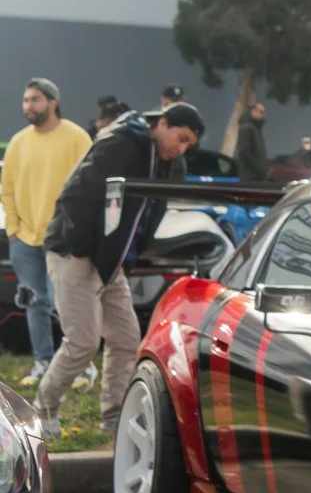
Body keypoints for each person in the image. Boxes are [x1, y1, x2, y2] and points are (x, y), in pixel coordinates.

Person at [34, 100, 206, 437]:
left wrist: (126, 255)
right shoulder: (123, 143)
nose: (181, 148)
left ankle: (112, 420)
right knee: (83, 342)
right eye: (181, 137)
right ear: (163, 124)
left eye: (189, 144)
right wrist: (83, 250)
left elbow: (148, 213)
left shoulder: (164, 162)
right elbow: (76, 195)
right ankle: (42, 411)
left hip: (110, 262)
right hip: (77, 255)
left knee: (126, 339)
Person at [1, 79, 91, 389]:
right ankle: (42, 361)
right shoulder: (18, 142)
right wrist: (13, 229)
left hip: (63, 240)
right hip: (24, 241)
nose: (28, 106)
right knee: (33, 303)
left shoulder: (77, 138)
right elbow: (7, 188)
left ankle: (81, 367)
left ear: (52, 102)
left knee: (64, 304)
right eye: (25, 100)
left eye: (35, 100)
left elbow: (90, 186)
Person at [234, 99, 270, 182]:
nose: (263, 115)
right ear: (253, 111)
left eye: (264, 112)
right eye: (261, 112)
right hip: (250, 178)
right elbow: (244, 151)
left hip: (256, 177)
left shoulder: (255, 129)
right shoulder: (247, 128)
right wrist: (259, 169)